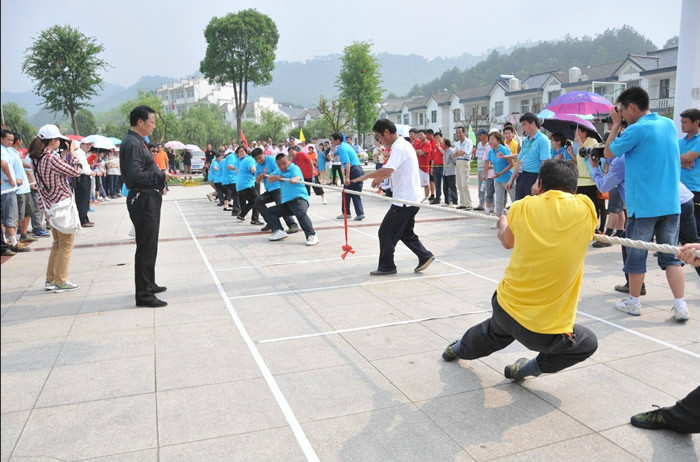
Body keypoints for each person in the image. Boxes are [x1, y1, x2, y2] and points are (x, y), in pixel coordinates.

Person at [442, 159, 598, 380]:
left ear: (540, 184)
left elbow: (507, 241)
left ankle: (457, 348)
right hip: (542, 332)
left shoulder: (522, 206)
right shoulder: (585, 207)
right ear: (574, 189)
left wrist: (502, 222)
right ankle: (525, 370)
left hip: (505, 306)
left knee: (495, 332)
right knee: (587, 342)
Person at [604, 87, 687, 320]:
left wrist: (616, 125)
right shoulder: (669, 124)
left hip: (644, 205)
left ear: (631, 107)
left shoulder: (636, 130)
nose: (622, 115)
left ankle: (634, 302)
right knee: (671, 255)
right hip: (671, 204)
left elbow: (609, 152)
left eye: (622, 110)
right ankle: (680, 305)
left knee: (636, 255)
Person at [353, 119, 435, 276]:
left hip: (405, 201)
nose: (380, 141)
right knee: (405, 232)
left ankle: (387, 266)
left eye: (379, 136)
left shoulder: (399, 147)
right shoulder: (401, 146)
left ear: (386, 132)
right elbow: (390, 170)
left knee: (385, 232)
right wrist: (380, 178)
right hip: (411, 198)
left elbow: (387, 170)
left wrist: (365, 177)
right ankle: (424, 256)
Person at [120, 105, 171, 308]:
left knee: (150, 245)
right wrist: (161, 175)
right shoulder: (132, 143)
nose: (154, 126)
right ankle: (144, 294)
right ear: (140, 122)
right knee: (145, 247)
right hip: (142, 198)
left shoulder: (138, 142)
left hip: (149, 196)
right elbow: (134, 175)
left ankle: (148, 283)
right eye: (152, 122)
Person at [29, 125, 83, 292]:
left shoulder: (35, 158)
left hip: (49, 205)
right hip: (62, 205)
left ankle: (50, 280)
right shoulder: (51, 158)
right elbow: (75, 172)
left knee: (57, 244)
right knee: (66, 244)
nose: (60, 142)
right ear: (53, 141)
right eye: (58, 139)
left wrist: (65, 155)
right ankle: (61, 281)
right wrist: (73, 154)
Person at [263, 153, 319, 246]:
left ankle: (311, 235)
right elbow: (269, 179)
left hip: (300, 199)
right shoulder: (279, 171)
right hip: (288, 203)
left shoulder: (294, 168)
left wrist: (294, 179)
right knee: (270, 211)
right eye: (279, 165)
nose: (282, 166)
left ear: (289, 161)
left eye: (284, 163)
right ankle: (279, 231)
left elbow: (298, 177)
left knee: (300, 212)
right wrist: (277, 177)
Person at [507, 113, 551, 201]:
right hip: (522, 175)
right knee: (519, 203)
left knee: (531, 206)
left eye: (524, 124)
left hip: (534, 176)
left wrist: (537, 182)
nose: (523, 128)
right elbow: (519, 160)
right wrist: (511, 179)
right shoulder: (526, 140)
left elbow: (545, 163)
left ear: (533, 124)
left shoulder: (543, 140)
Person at [253, 149, 299, 233]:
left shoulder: (271, 160)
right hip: (269, 190)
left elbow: (279, 171)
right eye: (256, 159)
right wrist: (259, 177)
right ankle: (271, 223)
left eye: (260, 158)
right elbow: (257, 181)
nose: (259, 161)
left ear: (263, 154)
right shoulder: (258, 166)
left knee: (281, 205)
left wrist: (269, 175)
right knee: (258, 200)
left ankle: (292, 224)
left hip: (278, 188)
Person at [1, 130, 27, 254]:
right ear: (1, 139)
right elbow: (3, 163)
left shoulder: (7, 150)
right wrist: (11, 179)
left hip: (8, 187)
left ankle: (6, 241)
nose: (10, 142)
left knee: (6, 217)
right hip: (7, 189)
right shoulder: (2, 150)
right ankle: (13, 242)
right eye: (8, 139)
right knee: (11, 216)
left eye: (12, 140)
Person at [331, 132, 365, 220]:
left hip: (353, 171)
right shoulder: (344, 146)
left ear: (337, 140)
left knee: (346, 192)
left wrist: (347, 177)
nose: (332, 142)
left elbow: (347, 163)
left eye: (332, 140)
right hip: (359, 170)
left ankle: (346, 213)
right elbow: (336, 152)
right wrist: (333, 154)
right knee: (355, 193)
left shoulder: (342, 148)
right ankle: (360, 213)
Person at [679, 108, 700, 235]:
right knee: (676, 224)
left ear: (697, 122)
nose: (682, 125)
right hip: (680, 189)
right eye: (681, 122)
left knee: (696, 227)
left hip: (695, 189)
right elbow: (667, 158)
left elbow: (689, 158)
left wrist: (683, 159)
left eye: (685, 122)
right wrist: (682, 162)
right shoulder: (679, 141)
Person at [487, 131, 514, 221]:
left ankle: (516, 220)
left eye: (492, 139)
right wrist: (490, 167)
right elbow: (495, 163)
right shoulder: (490, 151)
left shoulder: (504, 149)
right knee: (498, 200)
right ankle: (499, 220)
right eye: (489, 139)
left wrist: (500, 172)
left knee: (514, 199)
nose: (490, 141)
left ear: (498, 140)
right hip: (497, 179)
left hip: (508, 178)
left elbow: (511, 164)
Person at [235, 147, 262, 225]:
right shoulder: (250, 160)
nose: (259, 159)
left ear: (246, 152)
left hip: (242, 185)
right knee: (258, 200)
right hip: (248, 184)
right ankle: (254, 219)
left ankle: (241, 215)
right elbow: (253, 169)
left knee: (252, 201)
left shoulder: (246, 160)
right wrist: (260, 176)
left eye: (242, 151)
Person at [454, 126, 474, 210]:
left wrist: (459, 152)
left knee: (465, 184)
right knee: (459, 184)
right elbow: (455, 154)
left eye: (460, 132)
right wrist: (459, 152)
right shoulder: (457, 143)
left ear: (464, 132)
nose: (458, 134)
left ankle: (469, 204)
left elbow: (464, 152)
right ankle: (462, 203)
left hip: (465, 162)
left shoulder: (468, 142)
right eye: (457, 132)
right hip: (458, 163)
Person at [414, 130, 432, 202]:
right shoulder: (417, 144)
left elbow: (422, 153)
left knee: (426, 184)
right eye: (418, 135)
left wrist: (419, 152)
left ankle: (426, 197)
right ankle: (419, 196)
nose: (419, 136)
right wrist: (419, 151)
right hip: (417, 166)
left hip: (424, 167)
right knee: (417, 183)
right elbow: (414, 152)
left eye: (421, 134)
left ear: (425, 135)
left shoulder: (427, 144)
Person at [473, 129, 489, 210]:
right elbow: (477, 156)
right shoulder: (479, 144)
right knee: (480, 187)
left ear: (486, 135)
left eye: (480, 135)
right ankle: (481, 204)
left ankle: (489, 205)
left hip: (486, 169)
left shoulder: (489, 145)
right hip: (479, 168)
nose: (479, 137)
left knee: (487, 187)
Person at [442, 139, 458, 206]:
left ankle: (455, 202)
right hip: (445, 172)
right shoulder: (445, 152)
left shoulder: (451, 151)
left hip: (451, 172)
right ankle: (447, 201)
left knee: (452, 187)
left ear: (446, 144)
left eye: (443, 143)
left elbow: (455, 161)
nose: (442, 144)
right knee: (445, 188)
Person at [430, 131, 445, 204]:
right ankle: (438, 197)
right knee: (437, 183)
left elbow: (445, 154)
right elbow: (433, 159)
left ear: (441, 138)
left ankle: (448, 199)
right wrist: (432, 168)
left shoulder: (444, 146)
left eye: (438, 137)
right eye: (435, 138)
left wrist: (439, 147)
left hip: (443, 167)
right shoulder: (434, 147)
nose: (437, 139)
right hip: (436, 167)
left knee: (445, 183)